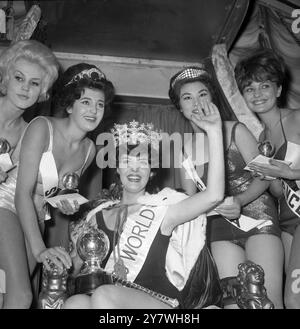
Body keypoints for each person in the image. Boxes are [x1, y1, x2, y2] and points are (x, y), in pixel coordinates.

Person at [63, 100, 224, 309]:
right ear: (117, 169)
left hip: (159, 304)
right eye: (127, 162)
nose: (135, 170)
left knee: (104, 295)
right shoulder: (96, 216)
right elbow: (77, 270)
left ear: (152, 170)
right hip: (111, 300)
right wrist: (67, 260)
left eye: (143, 163)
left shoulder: (164, 210)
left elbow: (214, 195)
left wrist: (214, 132)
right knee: (76, 303)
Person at [169, 66, 284, 308]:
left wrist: (240, 201)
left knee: (266, 301)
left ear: (212, 98)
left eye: (202, 94)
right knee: (233, 303)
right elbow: (192, 202)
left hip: (258, 217)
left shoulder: (236, 130)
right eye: (187, 98)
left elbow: (265, 175)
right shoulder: (183, 150)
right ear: (180, 107)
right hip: (219, 230)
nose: (197, 103)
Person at [13, 63, 114, 308]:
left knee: (14, 294)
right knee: (21, 295)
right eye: (86, 102)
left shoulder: (89, 150)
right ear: (69, 105)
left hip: (35, 218)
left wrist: (65, 205)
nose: (94, 110)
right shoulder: (41, 127)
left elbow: (55, 193)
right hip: (8, 205)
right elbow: (22, 192)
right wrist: (40, 250)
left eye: (99, 104)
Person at [235, 49, 300, 309]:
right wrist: (266, 178)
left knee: (293, 299)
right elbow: (276, 191)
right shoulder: (261, 138)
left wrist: (290, 172)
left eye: (265, 85)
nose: (258, 93)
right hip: (287, 222)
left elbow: (289, 175)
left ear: (278, 89)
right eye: (250, 89)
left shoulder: (297, 118)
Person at [0, 40, 59, 308]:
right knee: (22, 295)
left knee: (15, 297)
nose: (25, 87)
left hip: (21, 215)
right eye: (19, 78)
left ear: (43, 90)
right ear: (5, 77)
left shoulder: (33, 131)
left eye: (34, 83)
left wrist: (62, 197)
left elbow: (47, 188)